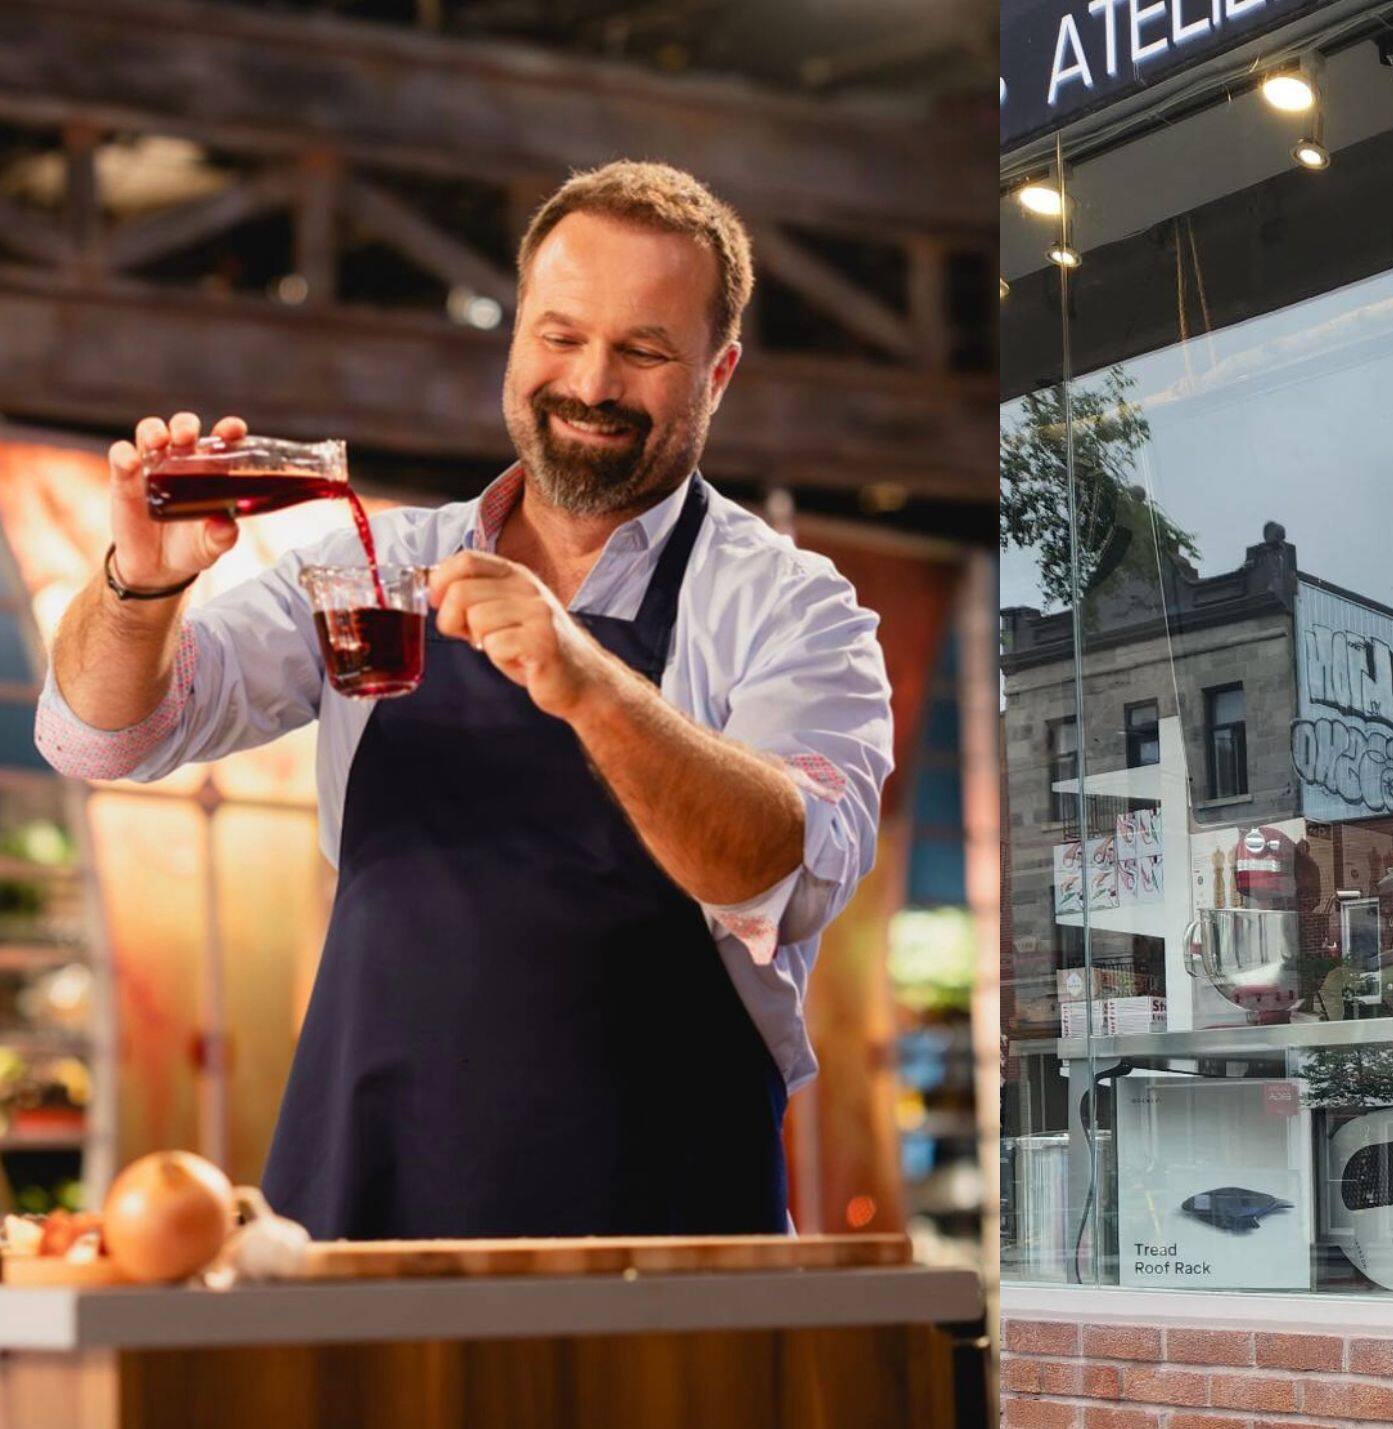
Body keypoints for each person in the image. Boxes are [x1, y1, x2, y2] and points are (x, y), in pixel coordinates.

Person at [34, 161, 893, 1241]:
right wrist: (139, 583)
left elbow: (777, 864)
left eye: (643, 350)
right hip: (360, 1204)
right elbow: (103, 736)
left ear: (718, 371)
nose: (589, 383)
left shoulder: (790, 607)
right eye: (559, 335)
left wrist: (584, 681)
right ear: (516, 333)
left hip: (664, 1229)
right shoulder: (378, 563)